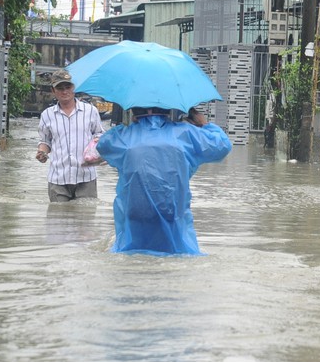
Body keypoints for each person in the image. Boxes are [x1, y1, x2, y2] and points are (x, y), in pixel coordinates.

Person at [96, 106, 231, 255]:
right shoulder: (185, 134)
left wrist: (127, 127)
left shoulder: (125, 136)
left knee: (132, 255)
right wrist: (204, 124)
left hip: (135, 213)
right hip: (173, 212)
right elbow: (223, 146)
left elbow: (103, 145)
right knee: (176, 256)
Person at [37, 69, 105, 202]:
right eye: (60, 88)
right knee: (58, 219)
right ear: (53, 91)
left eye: (68, 87)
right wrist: (42, 152)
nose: (64, 91)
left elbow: (99, 134)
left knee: (85, 219)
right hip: (58, 179)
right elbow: (45, 141)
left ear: (74, 88)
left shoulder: (90, 111)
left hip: (86, 177)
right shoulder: (47, 115)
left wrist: (98, 150)